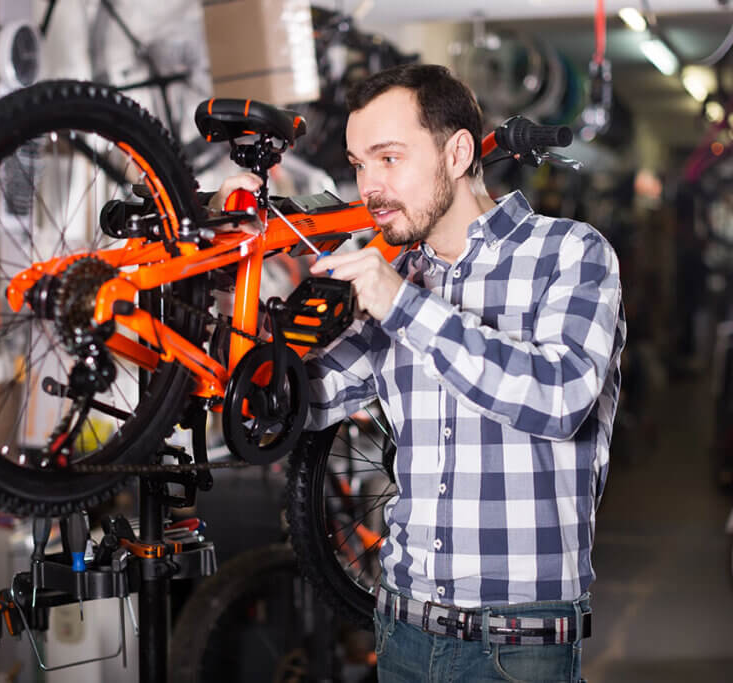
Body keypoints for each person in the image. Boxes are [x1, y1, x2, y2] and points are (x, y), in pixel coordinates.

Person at [210, 63, 625, 683]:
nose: (369, 186)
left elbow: (558, 399)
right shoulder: (399, 276)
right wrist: (224, 293)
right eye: (358, 163)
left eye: (389, 158)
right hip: (402, 631)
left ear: (458, 152)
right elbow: (298, 404)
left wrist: (401, 304)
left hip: (515, 643)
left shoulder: (569, 253)